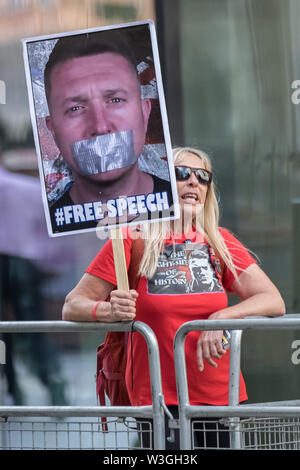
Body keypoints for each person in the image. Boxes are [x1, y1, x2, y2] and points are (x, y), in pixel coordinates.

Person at [62, 146, 285, 449]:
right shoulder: (133, 238)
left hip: (222, 399)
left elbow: (272, 299)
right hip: (159, 402)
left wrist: (220, 319)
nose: (194, 182)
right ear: (160, 183)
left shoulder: (220, 241)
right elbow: (73, 305)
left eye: (203, 177)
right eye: (183, 174)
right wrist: (108, 309)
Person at [44, 31, 172, 232]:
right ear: (53, 130)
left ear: (145, 112)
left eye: (115, 100)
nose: (101, 127)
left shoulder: (186, 210)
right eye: (75, 108)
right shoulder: (43, 231)